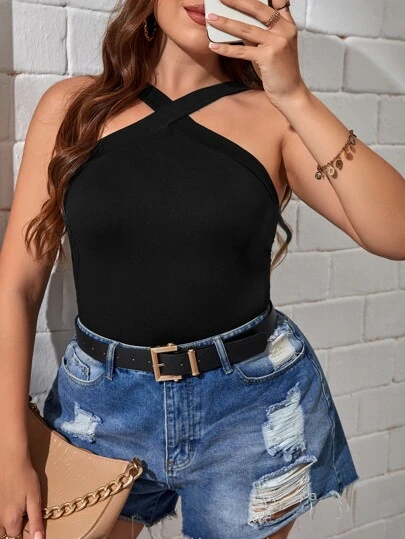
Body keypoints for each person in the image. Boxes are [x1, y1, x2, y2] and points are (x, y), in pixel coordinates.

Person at [1, 0, 405, 537]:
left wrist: (294, 94)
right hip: (100, 409)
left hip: (249, 409)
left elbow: (395, 232)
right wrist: (8, 449)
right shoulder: (73, 107)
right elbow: (18, 284)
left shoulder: (275, 118)